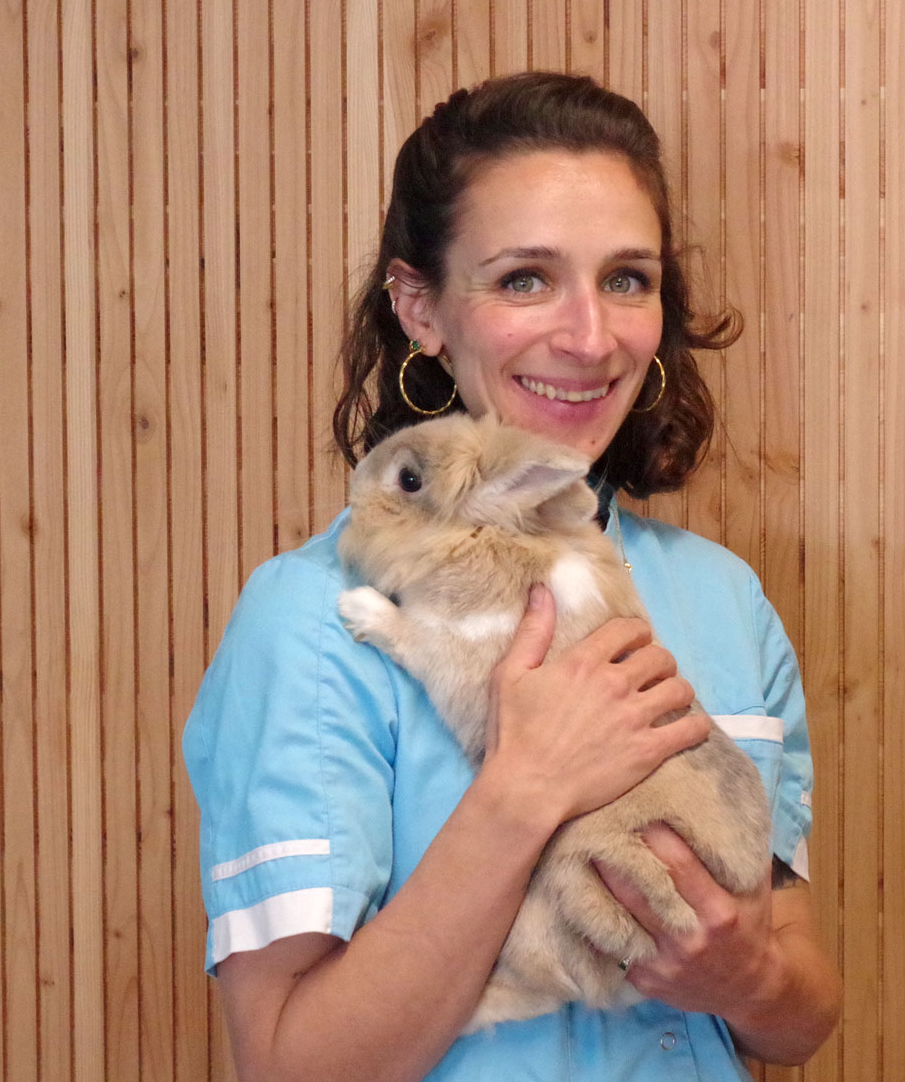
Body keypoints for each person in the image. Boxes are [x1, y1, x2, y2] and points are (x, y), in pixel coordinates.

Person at [183, 71, 841, 1081]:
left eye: (627, 279)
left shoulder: (721, 598)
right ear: (421, 308)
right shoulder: (315, 621)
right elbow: (288, 1063)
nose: (590, 337)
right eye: (525, 279)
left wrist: (747, 978)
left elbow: (799, 1019)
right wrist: (525, 789)